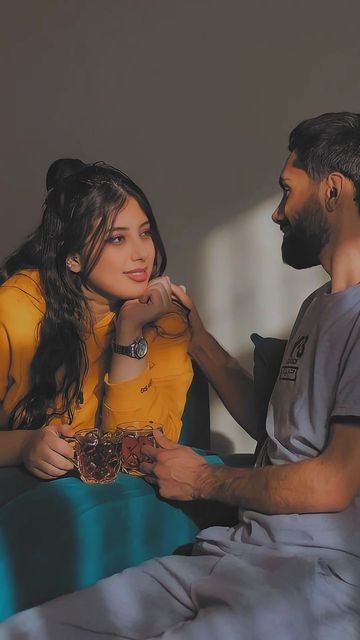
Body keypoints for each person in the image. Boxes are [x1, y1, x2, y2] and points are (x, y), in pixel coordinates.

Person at [2, 112, 360, 639]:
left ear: (333, 191)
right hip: (232, 553)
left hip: (315, 571)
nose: (277, 214)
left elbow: (332, 482)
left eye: (287, 191)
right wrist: (200, 341)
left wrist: (202, 478)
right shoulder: (316, 306)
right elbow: (280, 433)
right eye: (117, 238)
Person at [0, 159, 193, 479]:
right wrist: (23, 446)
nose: (142, 253)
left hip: (124, 499)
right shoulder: (16, 307)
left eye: (144, 233)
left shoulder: (164, 317)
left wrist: (129, 336)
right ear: (73, 257)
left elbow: (140, 457)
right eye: (117, 238)